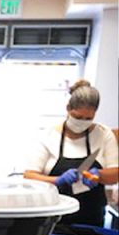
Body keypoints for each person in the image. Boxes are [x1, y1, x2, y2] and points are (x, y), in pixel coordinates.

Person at [24, 79, 119, 226]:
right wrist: (57, 181)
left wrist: (99, 175)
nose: (82, 122)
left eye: (89, 118)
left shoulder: (104, 134)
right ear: (68, 109)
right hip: (53, 219)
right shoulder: (48, 136)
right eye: (78, 117)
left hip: (91, 219)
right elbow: (29, 176)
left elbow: (115, 175)